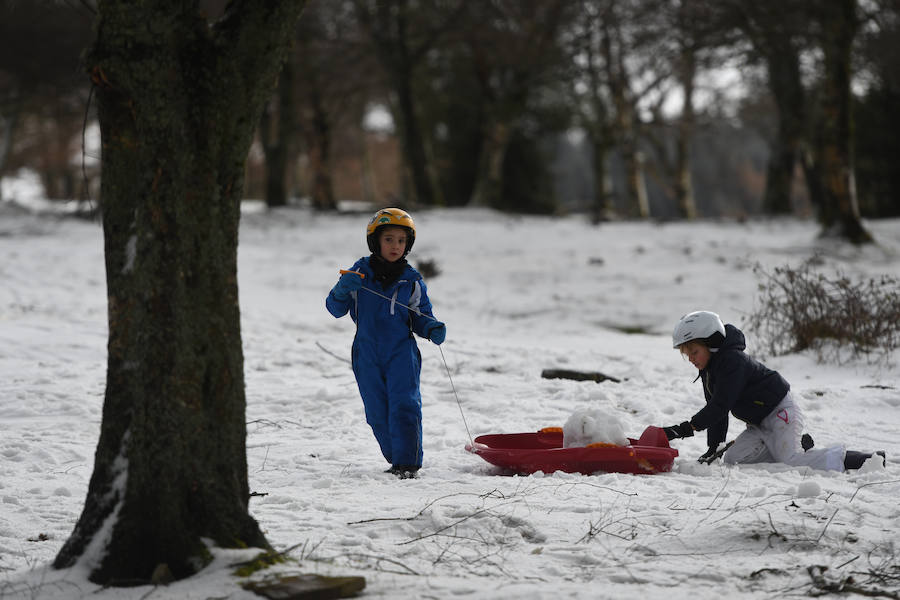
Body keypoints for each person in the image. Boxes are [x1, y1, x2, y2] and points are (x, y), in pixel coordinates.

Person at [661, 310, 884, 472]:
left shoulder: (732, 362)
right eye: (686, 354)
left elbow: (721, 405)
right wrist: (713, 448)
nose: (691, 359)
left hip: (780, 413)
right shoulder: (709, 369)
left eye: (694, 351)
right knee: (733, 459)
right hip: (758, 424)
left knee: (791, 461)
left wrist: (684, 429)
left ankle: (865, 459)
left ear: (712, 342)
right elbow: (717, 412)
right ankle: (796, 444)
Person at [326, 208, 446, 479]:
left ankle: (408, 463)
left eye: (401, 240)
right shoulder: (358, 273)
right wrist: (342, 289)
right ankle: (396, 459)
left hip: (400, 352)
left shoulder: (411, 280)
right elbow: (334, 308)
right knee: (376, 411)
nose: (395, 246)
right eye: (389, 239)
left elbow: (420, 314)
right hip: (366, 352)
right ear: (375, 241)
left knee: (405, 404)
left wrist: (431, 327)